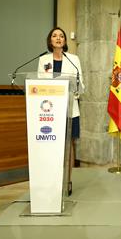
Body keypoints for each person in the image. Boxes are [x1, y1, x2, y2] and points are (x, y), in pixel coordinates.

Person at [37, 27, 85, 196]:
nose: (58, 38)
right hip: (49, 111)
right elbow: (40, 84)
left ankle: (68, 181)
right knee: (51, 145)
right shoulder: (43, 60)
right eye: (54, 36)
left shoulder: (73, 59)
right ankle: (52, 180)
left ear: (65, 41)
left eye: (61, 36)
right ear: (50, 41)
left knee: (68, 145)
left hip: (69, 109)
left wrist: (76, 90)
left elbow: (81, 84)